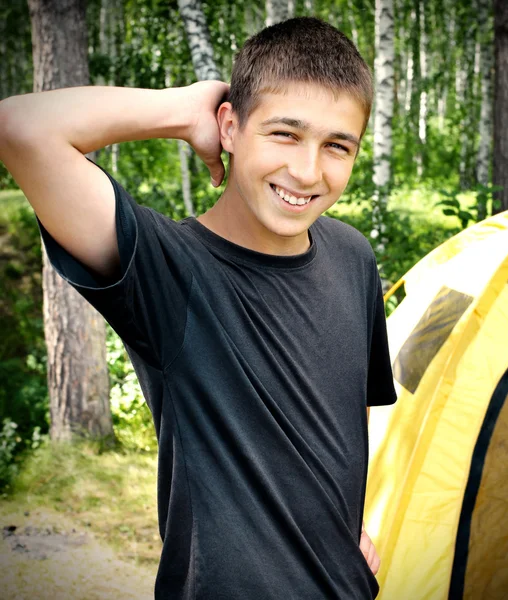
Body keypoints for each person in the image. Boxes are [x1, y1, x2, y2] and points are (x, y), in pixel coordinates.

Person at [0, 16, 396, 599]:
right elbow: (20, 128)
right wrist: (185, 108)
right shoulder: (170, 269)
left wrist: (350, 521)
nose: (309, 172)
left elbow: (350, 404)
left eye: (337, 145)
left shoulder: (353, 255)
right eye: (285, 134)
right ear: (229, 127)